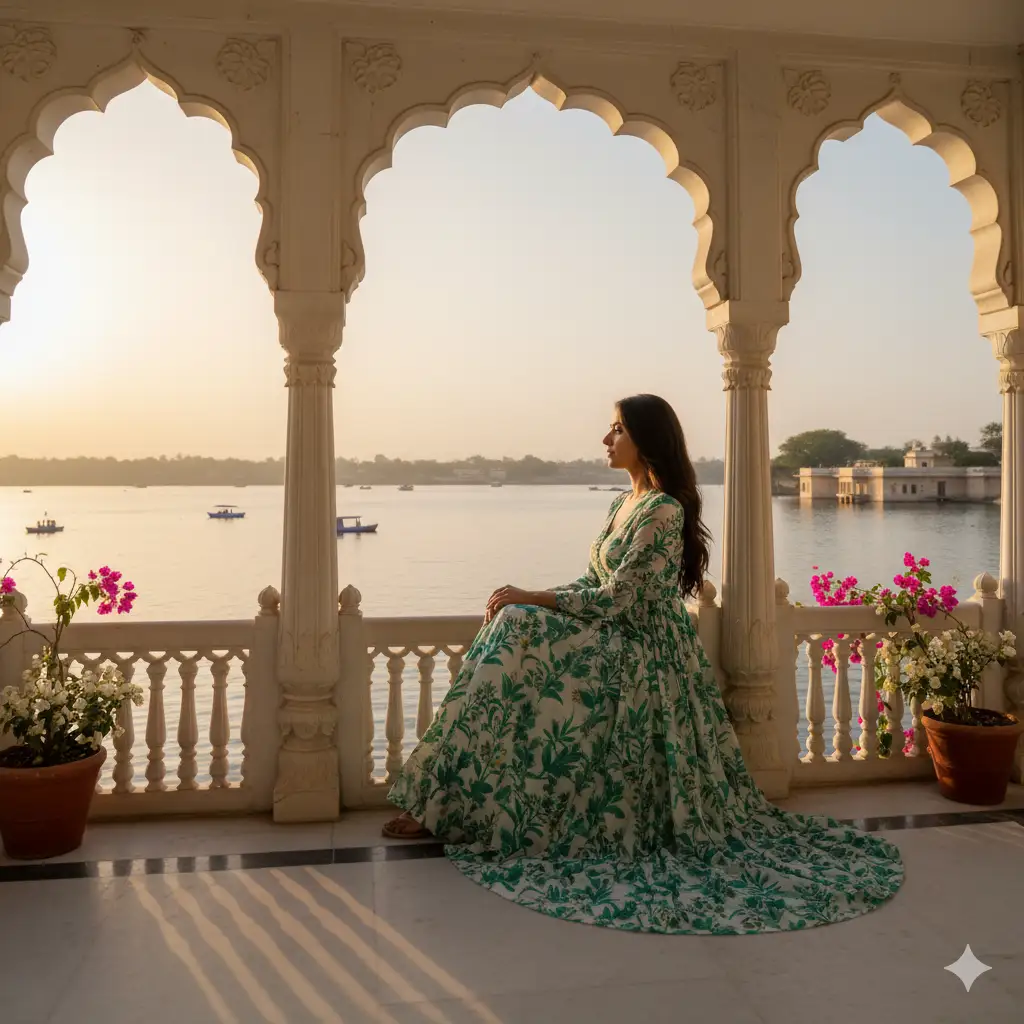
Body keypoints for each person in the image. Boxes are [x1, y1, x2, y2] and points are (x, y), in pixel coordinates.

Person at [384, 394, 903, 934]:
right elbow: (591, 584)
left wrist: (533, 599)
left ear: (646, 441)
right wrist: (527, 598)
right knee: (512, 627)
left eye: (617, 431)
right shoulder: (619, 505)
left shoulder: (663, 510)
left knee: (518, 629)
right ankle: (449, 801)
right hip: (615, 630)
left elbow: (621, 596)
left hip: (644, 647)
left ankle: (454, 806)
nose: (607, 440)